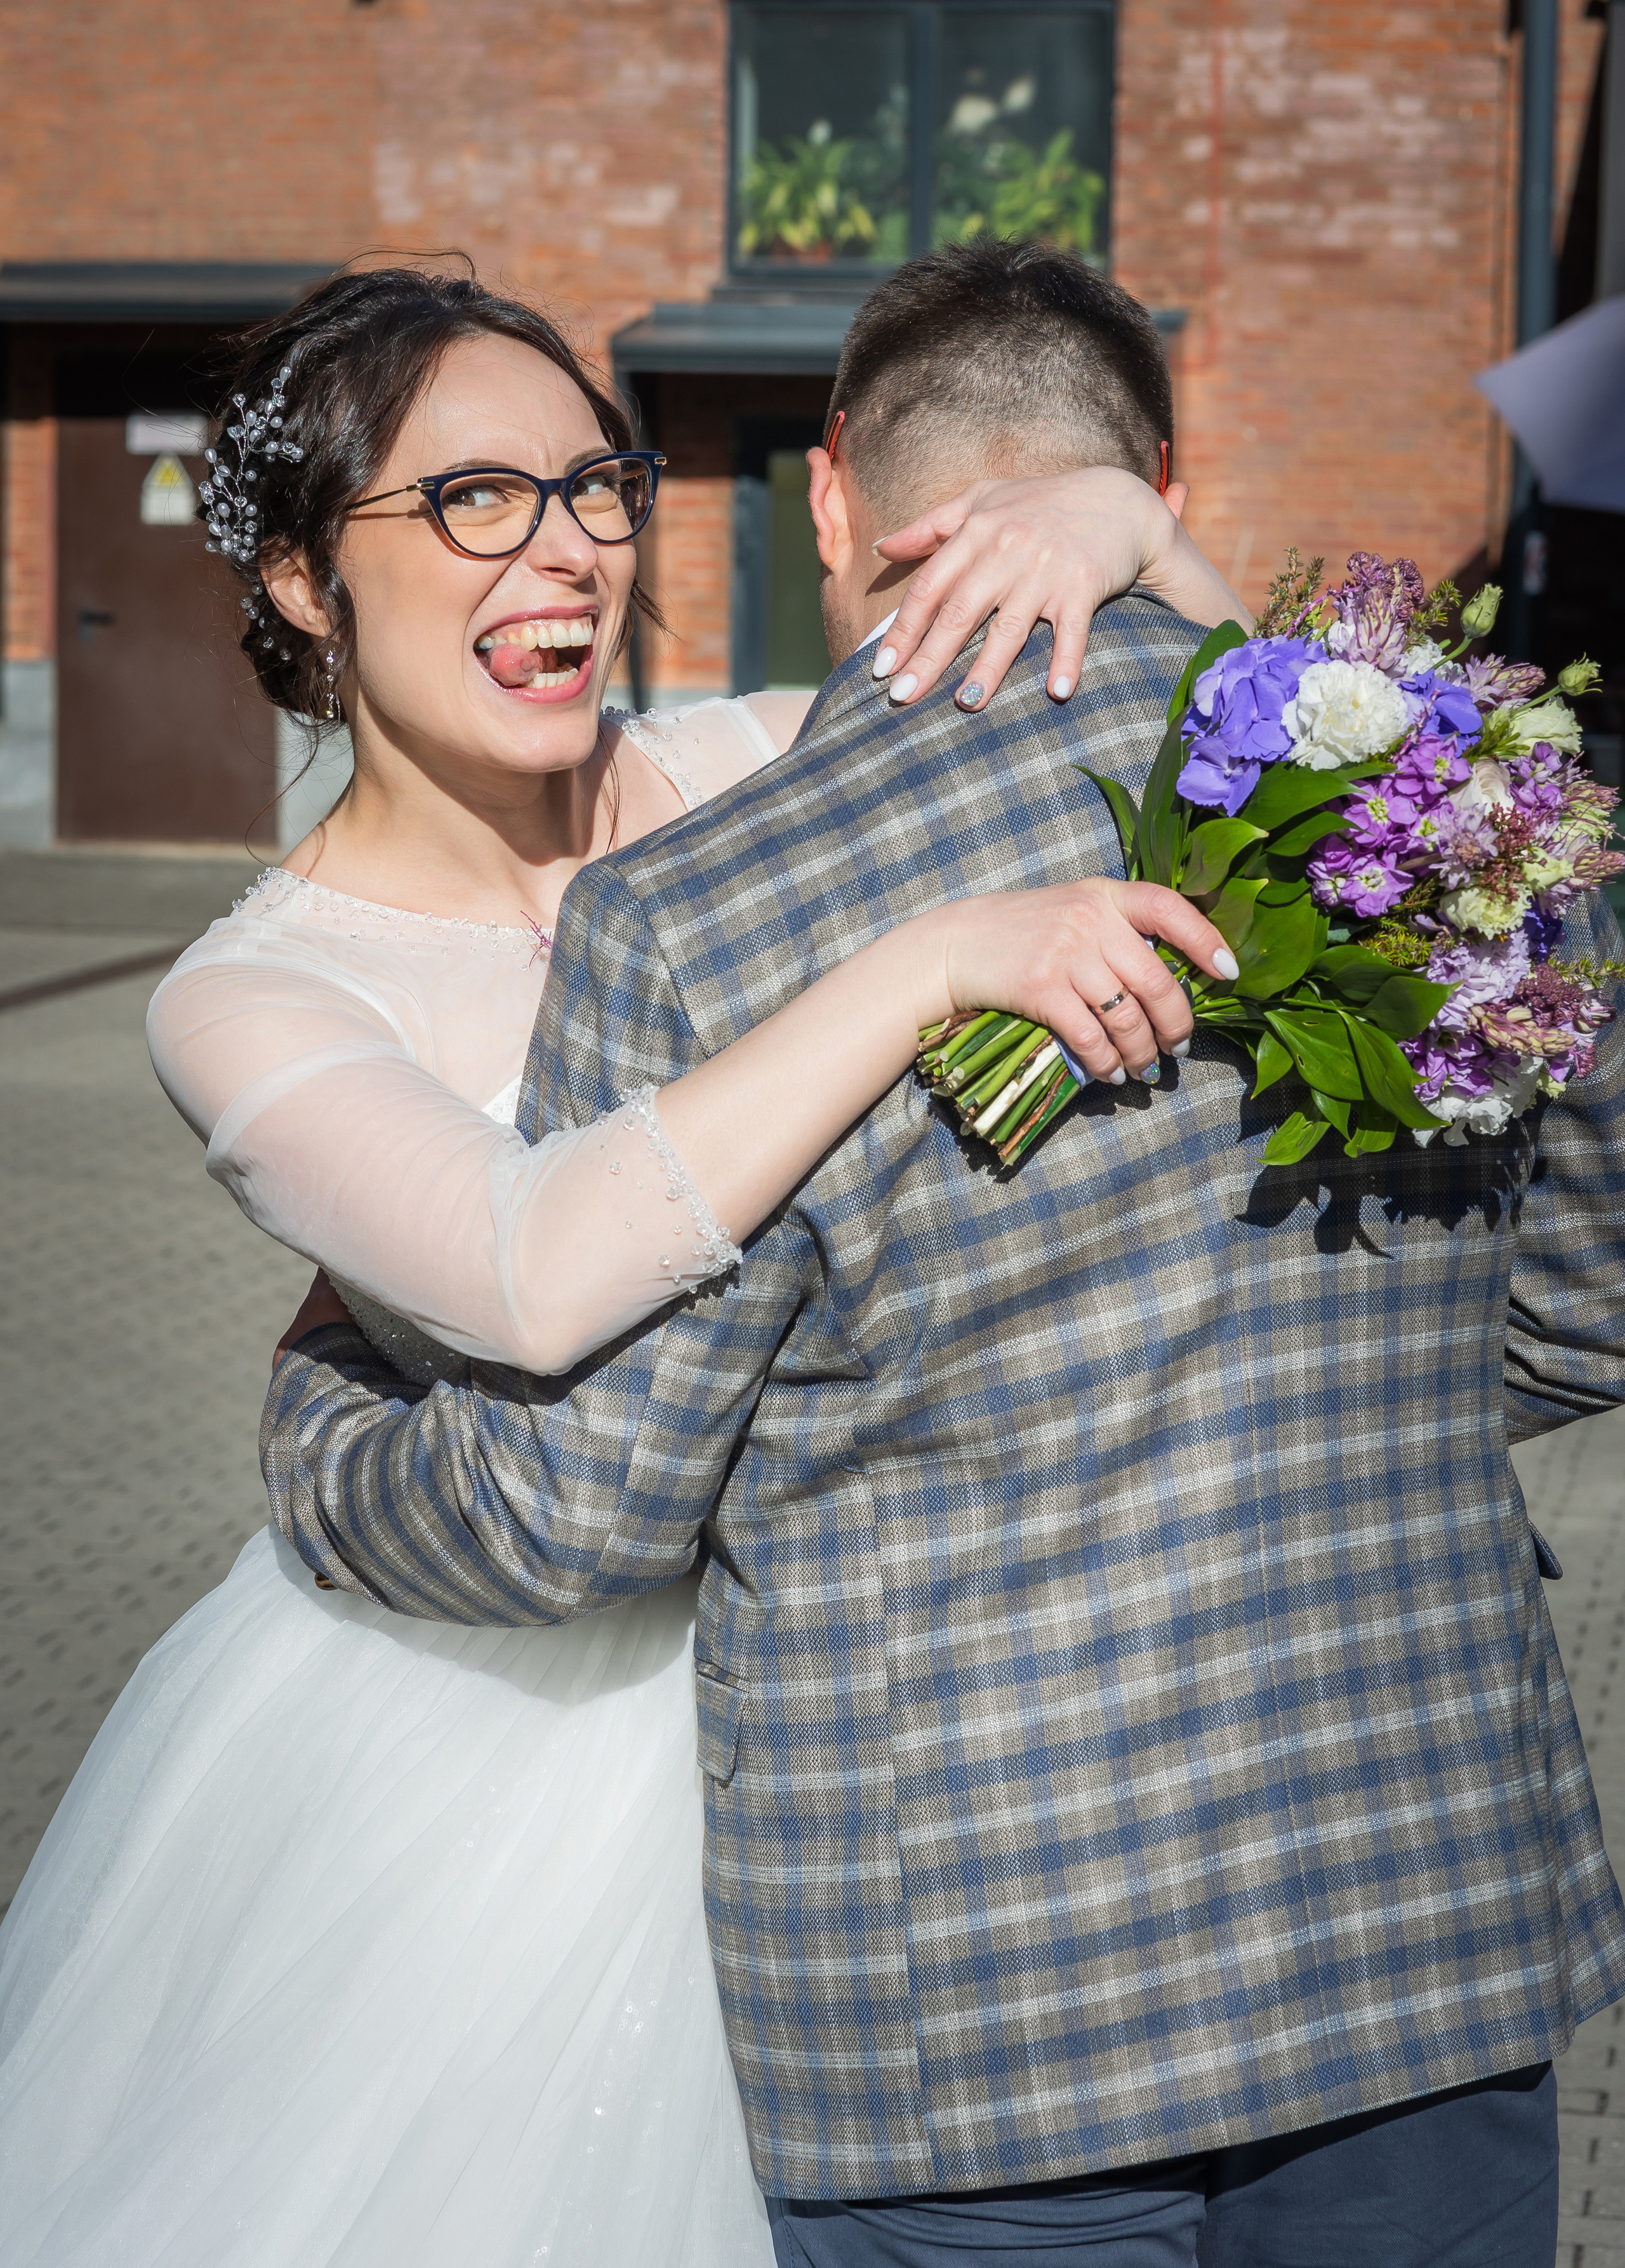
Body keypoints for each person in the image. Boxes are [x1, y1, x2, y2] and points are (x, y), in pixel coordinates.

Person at [262, 239, 1625, 2268]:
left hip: (976, 2014)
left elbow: (577, 1517)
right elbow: (1588, 1312)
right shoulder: (1461, 805)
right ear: (1151, 488)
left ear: (833, 496)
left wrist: (326, 1437)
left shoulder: (694, 917)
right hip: (1428, 1931)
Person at [0, 262, 1247, 2265]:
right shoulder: (253, 995)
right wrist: (924, 962)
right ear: (307, 580)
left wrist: (1134, 526)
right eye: (472, 499)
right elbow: (531, 1266)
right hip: (493, 1748)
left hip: (887, 1688)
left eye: (593, 486)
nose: (568, 547)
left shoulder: (764, 755)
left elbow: (1276, 775)